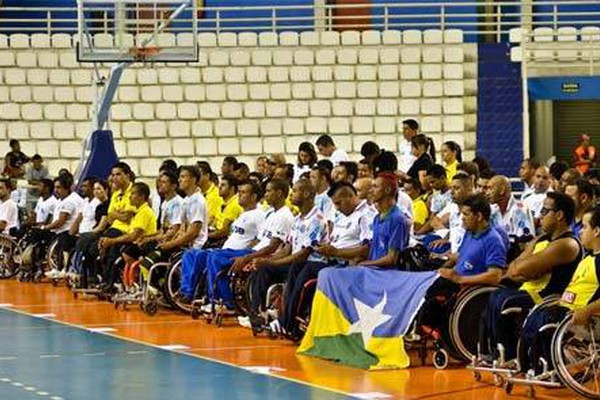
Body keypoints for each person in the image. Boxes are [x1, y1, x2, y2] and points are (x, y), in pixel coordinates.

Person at [480, 192, 582, 361]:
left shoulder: (567, 244)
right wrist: (526, 264)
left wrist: (524, 267)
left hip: (547, 297)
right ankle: (493, 350)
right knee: (495, 294)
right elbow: (513, 269)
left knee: (503, 299)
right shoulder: (542, 239)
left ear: (559, 215)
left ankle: (510, 354)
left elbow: (519, 270)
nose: (538, 216)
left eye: (544, 211)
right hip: (528, 290)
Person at [275, 182, 377, 339]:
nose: (336, 208)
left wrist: (337, 252)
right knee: (297, 266)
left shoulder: (366, 216)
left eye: (338, 203)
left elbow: (366, 249)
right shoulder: (342, 215)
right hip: (333, 258)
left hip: (347, 264)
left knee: (307, 269)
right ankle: (288, 321)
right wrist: (326, 248)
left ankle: (288, 323)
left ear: (350, 196)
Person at [517, 205, 600, 375]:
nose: (580, 232)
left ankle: (548, 367)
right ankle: (529, 364)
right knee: (537, 315)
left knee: (547, 319)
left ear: (597, 231)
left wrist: (587, 310)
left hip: (587, 318)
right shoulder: (587, 258)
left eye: (584, 227)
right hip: (567, 309)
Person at [246, 178, 329, 330]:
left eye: (295, 191)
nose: (291, 194)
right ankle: (258, 314)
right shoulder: (297, 219)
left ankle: (287, 321)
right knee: (262, 268)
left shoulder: (316, 219)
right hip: (296, 262)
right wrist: (265, 260)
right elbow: (287, 248)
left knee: (292, 267)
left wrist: (271, 262)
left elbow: (303, 254)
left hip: (312, 264)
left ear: (306, 194)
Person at [42, 174, 84, 279]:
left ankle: (64, 268)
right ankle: (56, 268)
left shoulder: (70, 201)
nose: (56, 190)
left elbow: (60, 222)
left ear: (67, 188)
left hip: (70, 231)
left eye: (59, 187)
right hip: (61, 230)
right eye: (55, 187)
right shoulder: (62, 200)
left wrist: (45, 227)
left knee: (60, 238)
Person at [209, 175, 243, 243]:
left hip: (224, 239)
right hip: (215, 233)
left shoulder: (235, 204)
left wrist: (205, 236)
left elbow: (224, 232)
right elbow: (214, 222)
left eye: (223, 185)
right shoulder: (222, 202)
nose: (219, 187)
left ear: (232, 188)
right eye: (219, 185)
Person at [197, 162, 223, 231]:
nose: (195, 178)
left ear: (207, 176)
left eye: (198, 175)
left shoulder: (216, 194)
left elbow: (210, 219)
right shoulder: (197, 193)